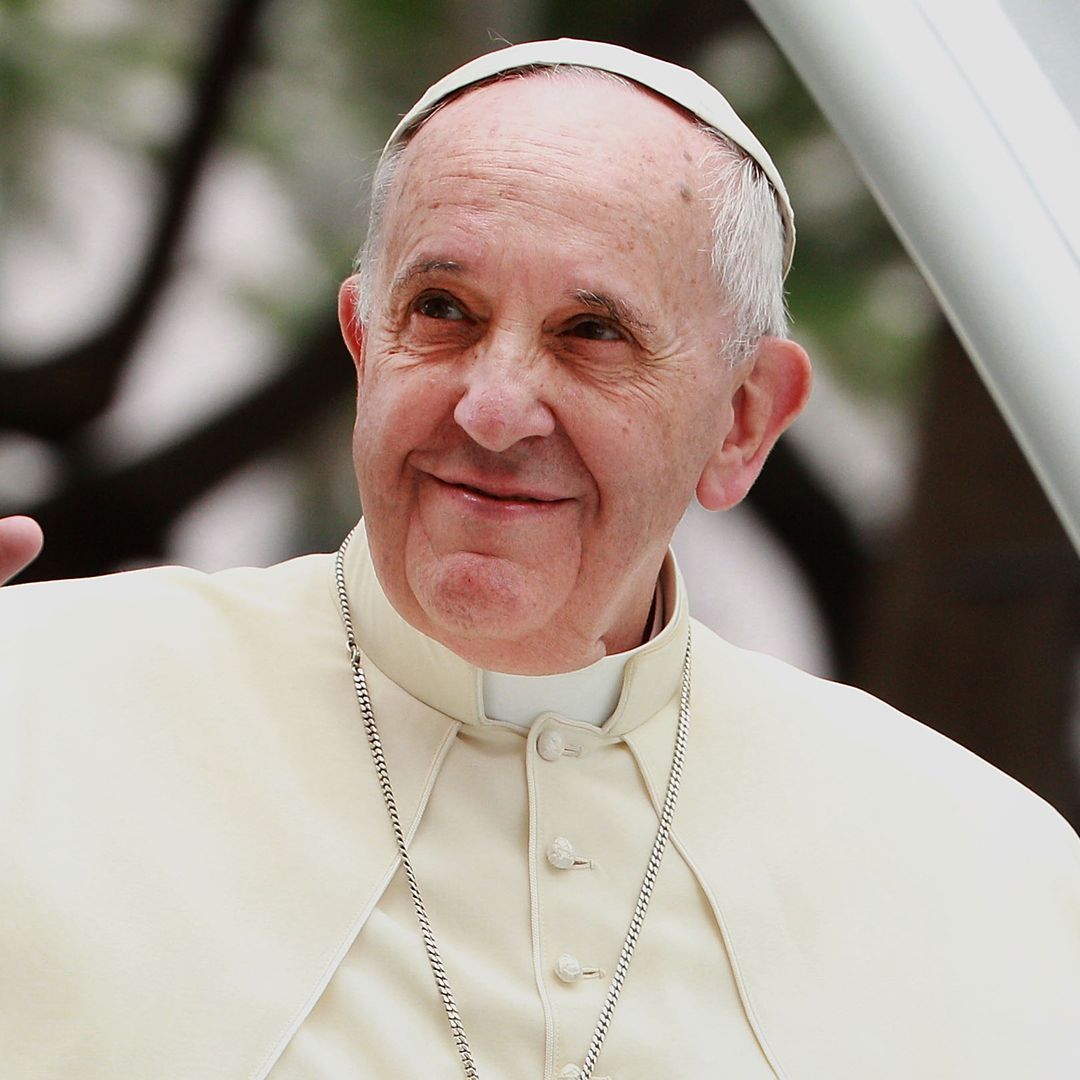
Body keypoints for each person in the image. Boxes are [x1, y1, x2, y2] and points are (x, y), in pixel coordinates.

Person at [2, 38, 1078, 1080]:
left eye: (592, 331)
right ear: (364, 341)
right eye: (442, 312)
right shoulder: (36, 705)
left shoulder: (981, 861)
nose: (495, 406)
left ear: (745, 418)